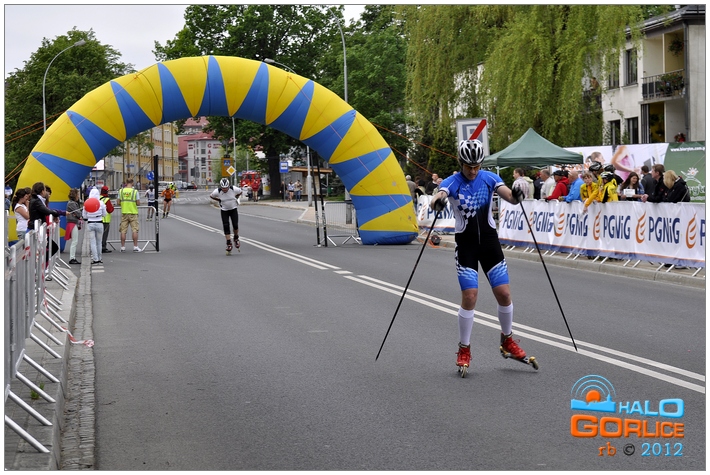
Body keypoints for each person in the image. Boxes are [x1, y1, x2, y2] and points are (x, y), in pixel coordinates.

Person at [429, 139, 531, 374]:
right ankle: (464, 348)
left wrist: (517, 195)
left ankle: (507, 340)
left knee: (504, 294)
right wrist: (438, 202)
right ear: (461, 163)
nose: (473, 171)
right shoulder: (451, 182)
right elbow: (438, 196)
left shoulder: (489, 178)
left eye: (476, 166)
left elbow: (510, 197)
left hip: (489, 243)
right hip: (466, 245)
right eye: (469, 166)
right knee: (470, 296)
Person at [210, 177, 243, 253]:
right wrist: (219, 200)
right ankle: (228, 243)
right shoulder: (217, 191)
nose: (224, 190)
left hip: (233, 209)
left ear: (228, 186)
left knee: (235, 225)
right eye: (223, 188)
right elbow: (211, 196)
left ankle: (236, 237)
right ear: (221, 187)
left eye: (226, 188)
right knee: (226, 226)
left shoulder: (233, 189)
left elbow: (240, 191)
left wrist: (236, 197)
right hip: (224, 210)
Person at [82, 188, 107, 265]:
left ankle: (95, 259)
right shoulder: (101, 203)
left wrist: (89, 216)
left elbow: (84, 215)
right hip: (99, 222)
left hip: (90, 223)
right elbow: (104, 214)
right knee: (99, 242)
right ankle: (100, 258)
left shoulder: (87, 203)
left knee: (92, 242)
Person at [118, 178, 142, 252]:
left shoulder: (121, 191)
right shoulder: (135, 191)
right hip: (133, 213)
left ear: (126, 182)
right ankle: (135, 247)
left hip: (124, 212)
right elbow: (138, 203)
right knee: (134, 230)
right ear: (132, 183)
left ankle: (122, 247)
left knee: (123, 231)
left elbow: (118, 202)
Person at [65, 188, 83, 264]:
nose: (78, 196)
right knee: (74, 241)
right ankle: (72, 258)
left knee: (74, 241)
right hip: (72, 223)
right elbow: (79, 213)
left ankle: (72, 257)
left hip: (72, 222)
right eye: (77, 194)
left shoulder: (71, 203)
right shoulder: (72, 204)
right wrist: (78, 214)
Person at [99, 186, 115, 253]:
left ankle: (98, 246)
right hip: (105, 220)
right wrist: (112, 207)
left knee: (99, 235)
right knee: (104, 234)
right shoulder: (106, 200)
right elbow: (110, 210)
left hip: (98, 219)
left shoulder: (98, 198)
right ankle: (103, 247)